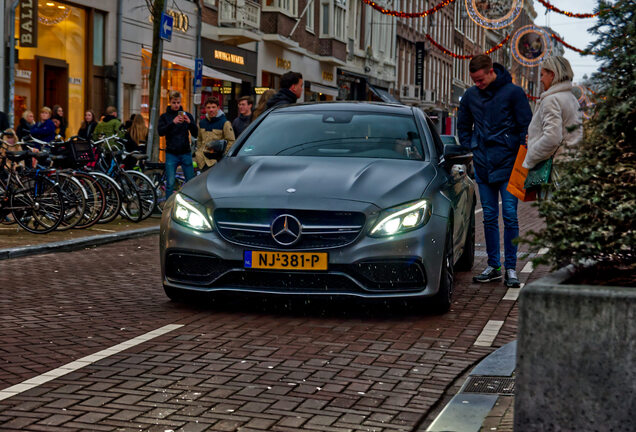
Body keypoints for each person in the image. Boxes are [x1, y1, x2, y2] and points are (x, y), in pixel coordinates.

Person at [457, 54, 532, 288]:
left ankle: (511, 268)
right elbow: (463, 125)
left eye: (480, 80)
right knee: (489, 216)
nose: (477, 84)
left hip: (509, 165)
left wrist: (519, 155)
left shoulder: (514, 93)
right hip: (483, 164)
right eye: (474, 80)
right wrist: (473, 146)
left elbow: (526, 128)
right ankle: (494, 266)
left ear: (491, 72)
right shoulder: (470, 96)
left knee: (509, 215)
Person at [523, 56, 582, 195]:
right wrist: (534, 138)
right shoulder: (572, 99)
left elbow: (552, 138)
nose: (541, 79)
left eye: (543, 75)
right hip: (571, 165)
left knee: (552, 211)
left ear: (553, 75)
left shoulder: (551, 100)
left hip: (555, 169)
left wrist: (530, 156)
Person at [158, 90, 198, 198]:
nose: (176, 105)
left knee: (190, 182)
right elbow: (160, 132)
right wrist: (173, 123)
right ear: (170, 102)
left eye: (178, 102)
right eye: (174, 102)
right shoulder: (165, 117)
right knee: (170, 184)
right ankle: (168, 207)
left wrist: (190, 123)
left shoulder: (187, 115)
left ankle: (191, 205)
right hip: (171, 153)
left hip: (185, 152)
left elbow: (195, 133)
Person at [196, 96, 236, 171]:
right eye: (208, 107)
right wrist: (198, 153)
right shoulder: (202, 123)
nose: (211, 110)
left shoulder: (225, 123)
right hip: (202, 162)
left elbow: (231, 141)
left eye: (213, 107)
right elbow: (199, 140)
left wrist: (223, 156)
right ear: (205, 109)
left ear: (218, 108)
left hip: (216, 162)